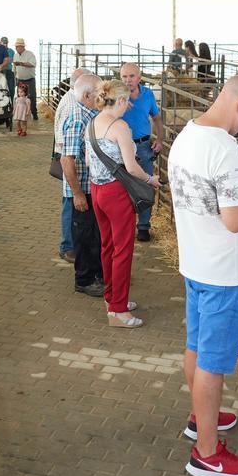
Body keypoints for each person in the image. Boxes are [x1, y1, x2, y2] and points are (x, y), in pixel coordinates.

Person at [168, 73, 238, 476]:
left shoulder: (188, 134)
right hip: (224, 272)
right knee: (213, 363)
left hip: (197, 261)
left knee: (197, 348)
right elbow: (235, 221)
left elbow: (209, 201)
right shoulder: (225, 149)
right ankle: (207, 454)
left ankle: (202, 419)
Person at [86, 80, 161, 328]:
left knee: (108, 246)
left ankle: (112, 298)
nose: (129, 105)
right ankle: (118, 311)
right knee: (123, 250)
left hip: (97, 190)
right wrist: (151, 179)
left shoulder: (92, 123)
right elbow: (131, 167)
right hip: (116, 194)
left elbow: (88, 161)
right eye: (127, 100)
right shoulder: (120, 127)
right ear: (118, 100)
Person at [60, 73, 105, 296]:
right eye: (99, 93)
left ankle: (97, 273)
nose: (102, 96)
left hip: (90, 186)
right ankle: (84, 279)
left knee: (93, 233)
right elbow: (66, 159)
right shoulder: (78, 118)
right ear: (87, 95)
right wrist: (76, 193)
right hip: (83, 189)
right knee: (85, 235)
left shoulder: (90, 113)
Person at [119, 62, 163, 242]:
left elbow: (157, 117)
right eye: (124, 76)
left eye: (131, 76)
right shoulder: (116, 95)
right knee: (122, 185)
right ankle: (124, 224)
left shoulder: (148, 94)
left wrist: (160, 139)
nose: (127, 80)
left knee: (145, 185)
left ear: (139, 77)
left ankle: (143, 226)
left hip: (144, 145)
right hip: (121, 146)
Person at [54, 68, 88, 263]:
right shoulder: (73, 104)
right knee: (69, 203)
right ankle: (67, 246)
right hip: (70, 157)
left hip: (66, 153)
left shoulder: (68, 98)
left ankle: (69, 245)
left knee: (69, 203)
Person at [14, 38, 39, 121]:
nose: (17, 48)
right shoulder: (15, 55)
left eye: (19, 46)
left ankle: (34, 113)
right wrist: (15, 77)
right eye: (16, 46)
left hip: (29, 79)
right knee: (20, 97)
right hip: (20, 79)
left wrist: (21, 63)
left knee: (32, 97)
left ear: (22, 46)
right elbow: (14, 68)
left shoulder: (30, 54)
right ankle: (21, 114)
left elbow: (32, 64)